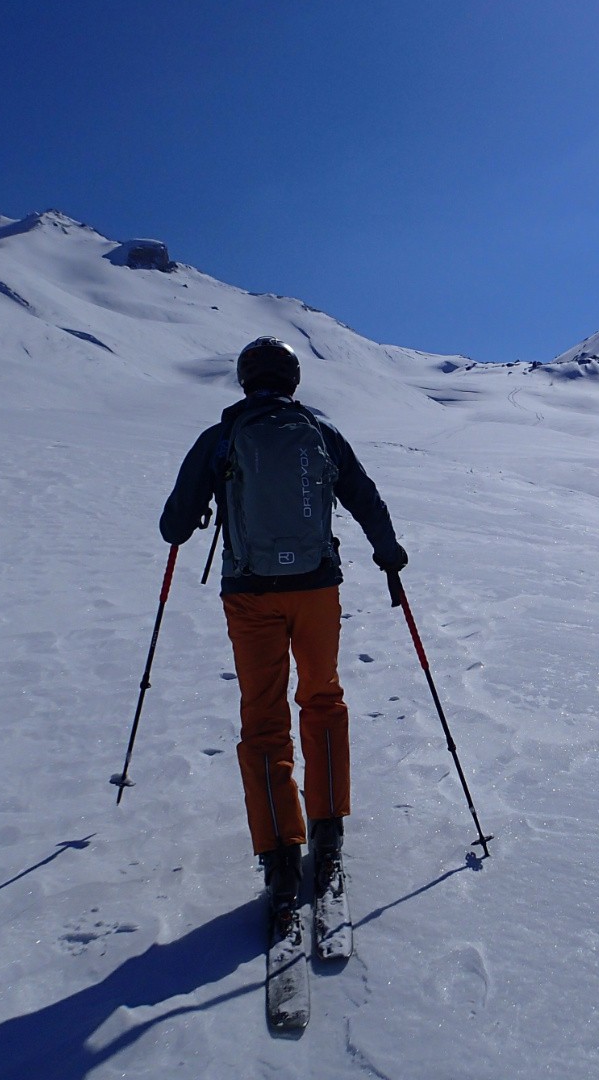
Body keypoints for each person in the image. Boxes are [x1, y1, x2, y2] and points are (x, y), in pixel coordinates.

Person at [159, 336, 408, 915]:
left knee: (263, 717)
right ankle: (327, 835)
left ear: (246, 380)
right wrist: (389, 553)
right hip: (317, 590)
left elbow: (173, 527)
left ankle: (277, 854)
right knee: (323, 700)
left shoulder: (221, 436)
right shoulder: (320, 433)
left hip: (249, 596)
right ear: (293, 381)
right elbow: (365, 497)